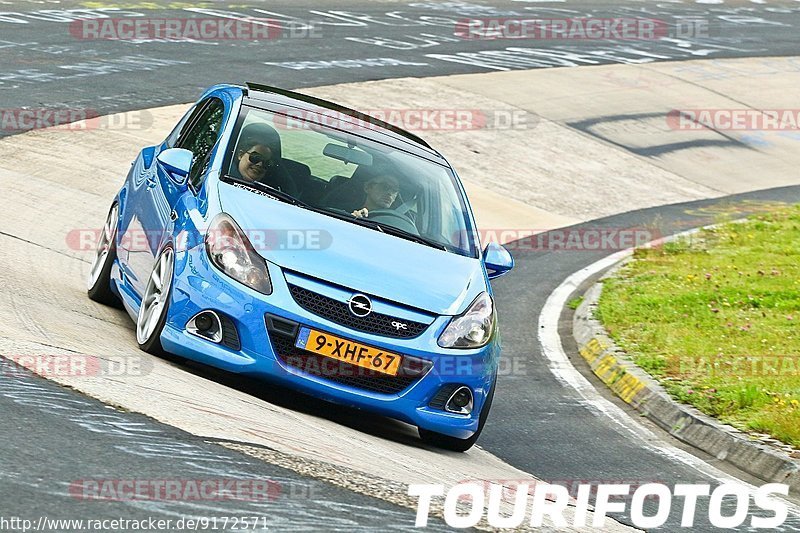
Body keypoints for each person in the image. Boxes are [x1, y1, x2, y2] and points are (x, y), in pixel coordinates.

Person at [231, 123, 298, 196]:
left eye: (267, 163)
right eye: (256, 157)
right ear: (240, 154)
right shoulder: (222, 176)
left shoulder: (274, 192)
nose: (260, 164)